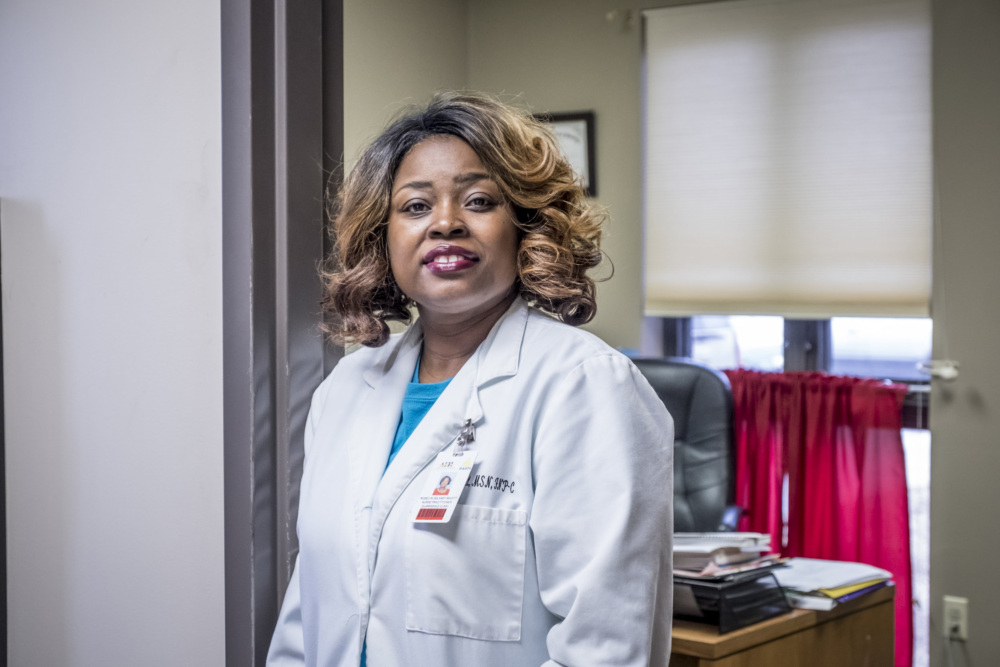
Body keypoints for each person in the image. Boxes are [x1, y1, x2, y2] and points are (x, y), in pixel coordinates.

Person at [266, 92, 674, 667]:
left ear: (525, 227)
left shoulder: (586, 387)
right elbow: (308, 610)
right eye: (414, 206)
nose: (445, 223)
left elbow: (606, 646)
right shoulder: (344, 391)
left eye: (479, 200)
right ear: (383, 236)